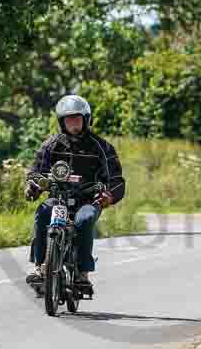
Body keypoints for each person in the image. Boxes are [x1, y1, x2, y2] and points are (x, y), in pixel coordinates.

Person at [23, 95, 125, 288]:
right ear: (62, 121)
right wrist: (33, 186)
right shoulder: (51, 145)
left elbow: (116, 180)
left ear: (86, 119)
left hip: (88, 199)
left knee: (84, 221)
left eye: (77, 118)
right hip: (58, 198)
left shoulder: (101, 147)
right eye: (68, 119)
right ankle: (40, 266)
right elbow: (36, 171)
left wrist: (108, 196)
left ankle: (82, 273)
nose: (73, 123)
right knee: (43, 212)